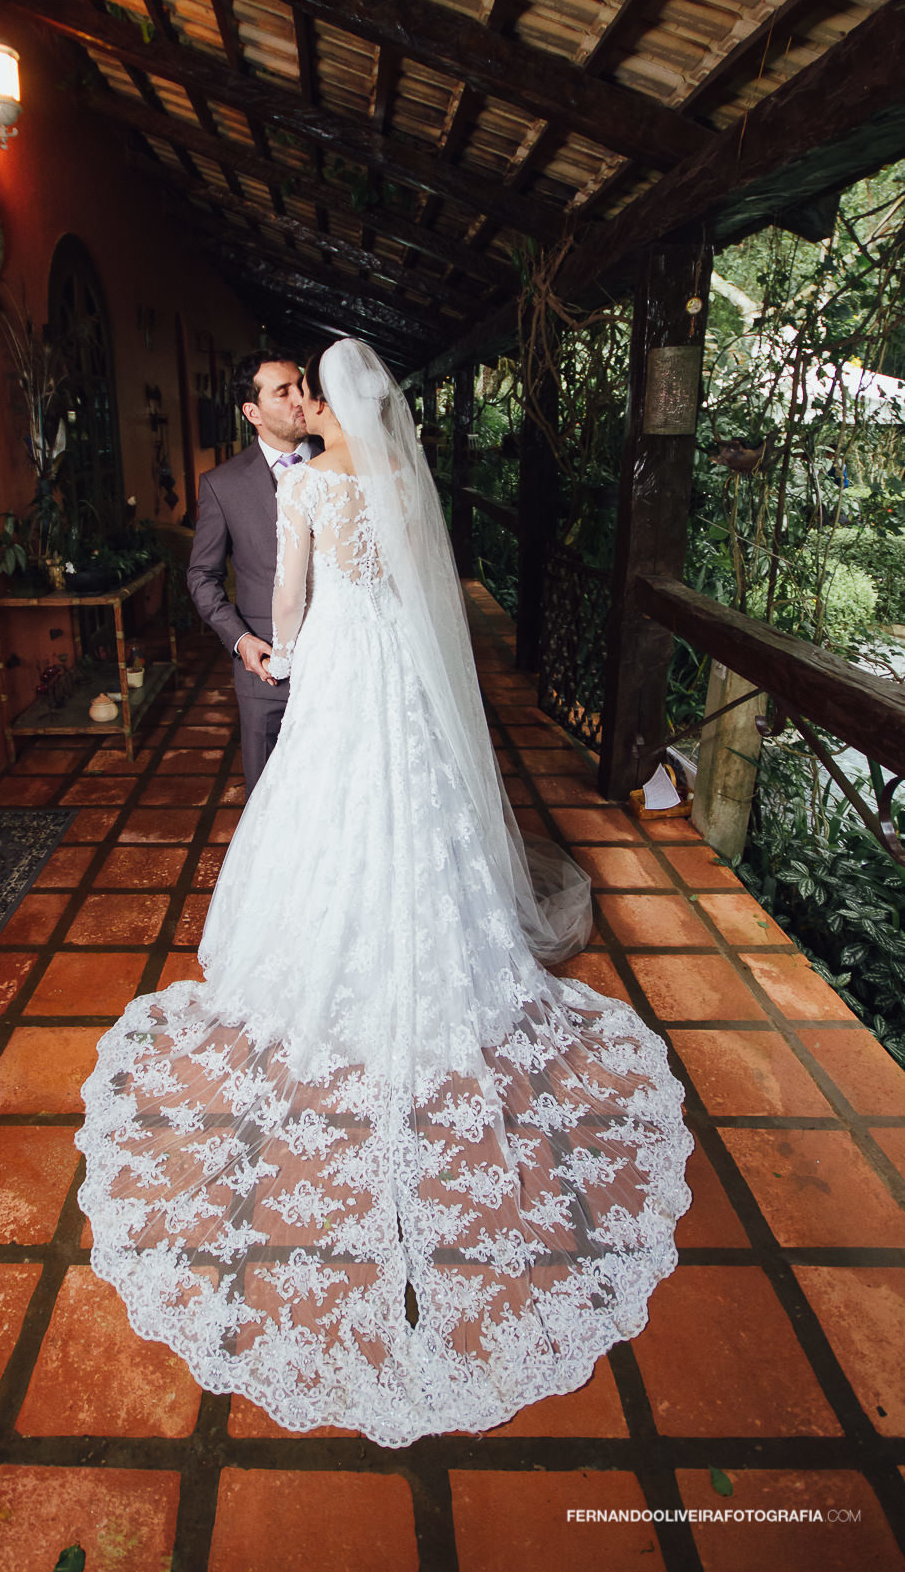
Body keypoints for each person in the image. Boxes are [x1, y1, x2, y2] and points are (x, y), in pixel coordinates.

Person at [78, 339, 692, 1449]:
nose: (304, 400)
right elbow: (423, 589)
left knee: (325, 812)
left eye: (310, 387)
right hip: (398, 668)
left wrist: (292, 665)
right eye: (290, 389)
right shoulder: (402, 475)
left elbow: (292, 597)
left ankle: (320, 961)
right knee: (418, 806)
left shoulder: (312, 482)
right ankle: (447, 960)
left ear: (328, 400)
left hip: (337, 669)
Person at [186, 350, 323, 791]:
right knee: (268, 794)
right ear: (253, 412)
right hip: (267, 668)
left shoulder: (343, 462)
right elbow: (201, 576)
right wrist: (241, 640)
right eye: (283, 392)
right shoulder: (222, 484)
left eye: (301, 386)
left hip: (341, 656)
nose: (299, 399)